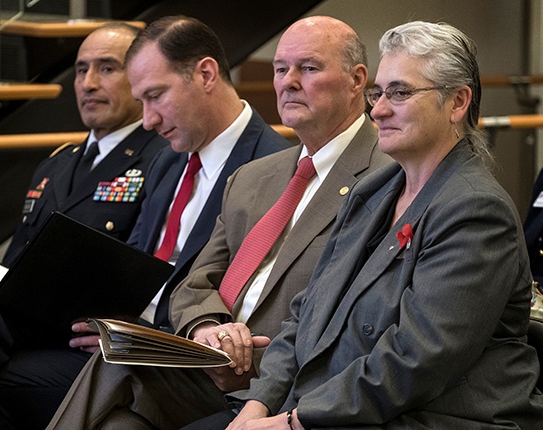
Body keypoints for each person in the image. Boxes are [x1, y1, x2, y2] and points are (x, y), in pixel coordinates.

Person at [0, 16, 290, 430]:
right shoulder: (168, 159)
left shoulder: (272, 168)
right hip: (115, 334)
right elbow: (133, 263)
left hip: (166, 357)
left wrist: (137, 332)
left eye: (156, 96)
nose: (149, 120)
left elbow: (249, 301)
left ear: (206, 74)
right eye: (142, 102)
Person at [188, 21, 543, 430]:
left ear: (458, 102)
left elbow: (415, 360)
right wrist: (259, 406)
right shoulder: (372, 192)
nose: (379, 109)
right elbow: (304, 316)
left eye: (401, 93)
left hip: (432, 417)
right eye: (379, 93)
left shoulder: (477, 210)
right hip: (335, 406)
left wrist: (291, 422)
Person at [46, 15, 392, 430]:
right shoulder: (252, 177)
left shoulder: (387, 179)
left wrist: (249, 357)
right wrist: (208, 327)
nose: (288, 82)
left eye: (309, 68)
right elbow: (192, 283)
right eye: (281, 69)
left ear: (357, 81)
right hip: (208, 367)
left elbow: (355, 321)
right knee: (116, 375)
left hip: (285, 384)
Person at [0, 19, 169, 419]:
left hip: (72, 333)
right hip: (11, 321)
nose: (88, 83)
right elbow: (17, 258)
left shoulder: (160, 158)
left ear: (141, 76)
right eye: (80, 70)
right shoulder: (55, 164)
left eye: (107, 68)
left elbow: (138, 267)